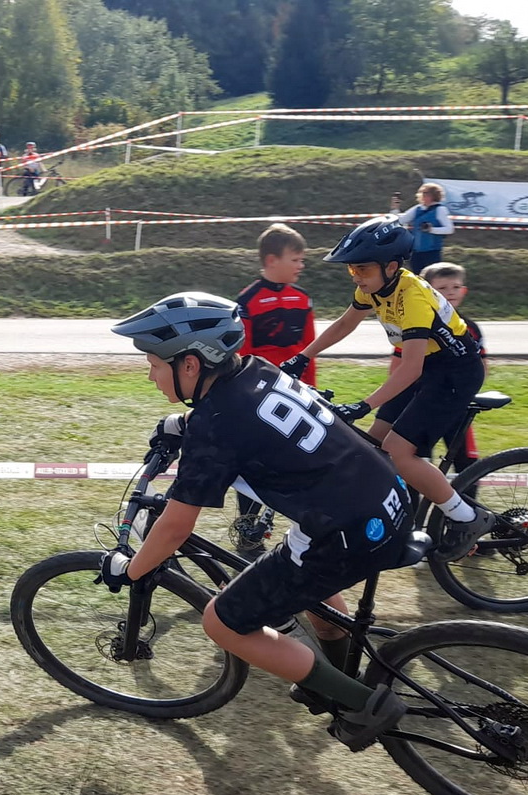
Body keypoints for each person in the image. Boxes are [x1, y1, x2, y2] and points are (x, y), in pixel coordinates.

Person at [109, 293, 415, 751]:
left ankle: (363, 704)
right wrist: (183, 423)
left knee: (222, 622)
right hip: (386, 498)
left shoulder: (215, 425)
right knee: (308, 577)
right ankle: (337, 678)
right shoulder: (257, 369)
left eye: (154, 364)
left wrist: (131, 570)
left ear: (190, 364)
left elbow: (174, 528)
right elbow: (251, 416)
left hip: (345, 530)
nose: (150, 375)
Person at [279, 215, 494, 562]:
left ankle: (467, 516)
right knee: (371, 446)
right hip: (426, 368)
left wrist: (365, 404)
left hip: (454, 373)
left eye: (362, 269)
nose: (356, 276)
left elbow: (411, 368)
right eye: (352, 269)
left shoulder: (413, 298)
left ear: (391, 266)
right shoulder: (375, 287)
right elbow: (345, 323)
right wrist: (303, 357)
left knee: (399, 452)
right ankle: (388, 518)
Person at [230, 223, 316, 555]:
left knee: (297, 463)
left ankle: (305, 534)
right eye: (295, 259)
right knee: (254, 465)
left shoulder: (303, 299)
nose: (301, 265)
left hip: (296, 394)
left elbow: (310, 348)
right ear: (271, 260)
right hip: (259, 396)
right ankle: (249, 534)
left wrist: (311, 390)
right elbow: (242, 353)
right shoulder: (247, 300)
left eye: (302, 260)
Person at [416, 262, 486, 478]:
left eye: (455, 287)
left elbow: (482, 365)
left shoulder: (470, 327)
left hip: (458, 404)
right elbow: (398, 366)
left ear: (464, 290)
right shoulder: (416, 322)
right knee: (416, 458)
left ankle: (464, 500)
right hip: (423, 402)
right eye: (442, 288)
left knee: (467, 463)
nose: (450, 292)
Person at [390, 183, 454, 273]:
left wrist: (431, 229)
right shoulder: (417, 209)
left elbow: (449, 229)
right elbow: (399, 221)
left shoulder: (440, 209)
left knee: (432, 277)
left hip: (432, 252)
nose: (423, 196)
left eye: (427, 193)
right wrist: (395, 209)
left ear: (434, 195)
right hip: (416, 252)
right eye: (423, 193)